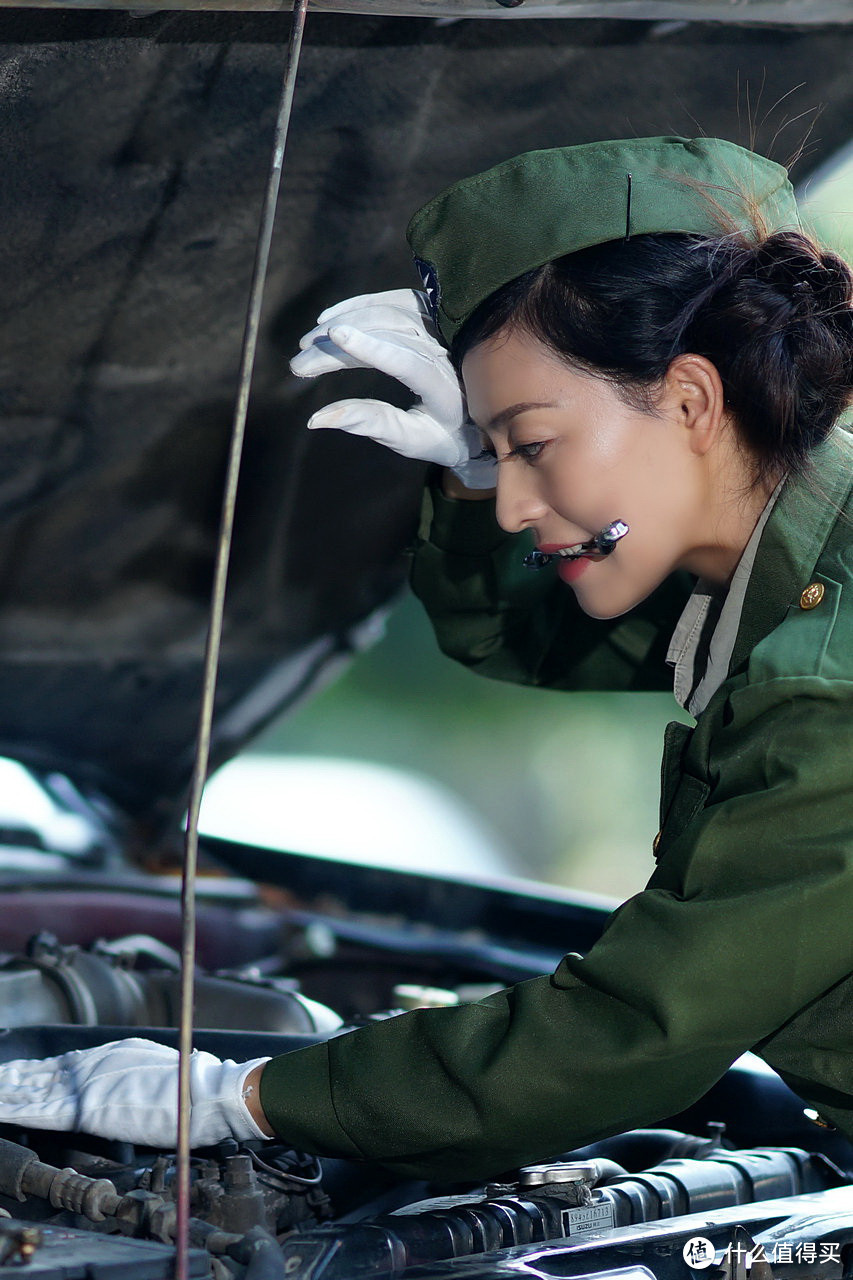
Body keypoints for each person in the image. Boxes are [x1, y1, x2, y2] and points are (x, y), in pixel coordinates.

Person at [1, 136, 852, 1182]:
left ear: (688, 400)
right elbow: (519, 633)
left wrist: (240, 1095)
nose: (509, 502)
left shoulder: (827, 681)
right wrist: (466, 472)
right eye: (492, 455)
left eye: (530, 445)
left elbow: (628, 1032)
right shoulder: (772, 570)